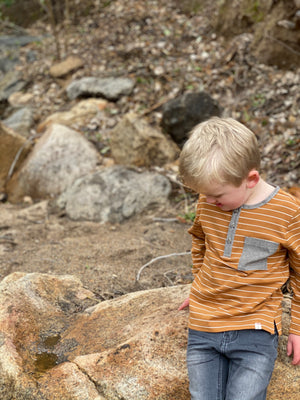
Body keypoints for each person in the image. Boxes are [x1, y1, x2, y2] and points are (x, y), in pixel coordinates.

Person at [178, 117, 300, 400]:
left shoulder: (286, 213)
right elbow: (201, 240)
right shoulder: (208, 202)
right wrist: (200, 284)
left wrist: (297, 327)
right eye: (202, 194)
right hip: (204, 326)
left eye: (217, 196)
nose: (208, 201)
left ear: (251, 179)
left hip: (255, 329)